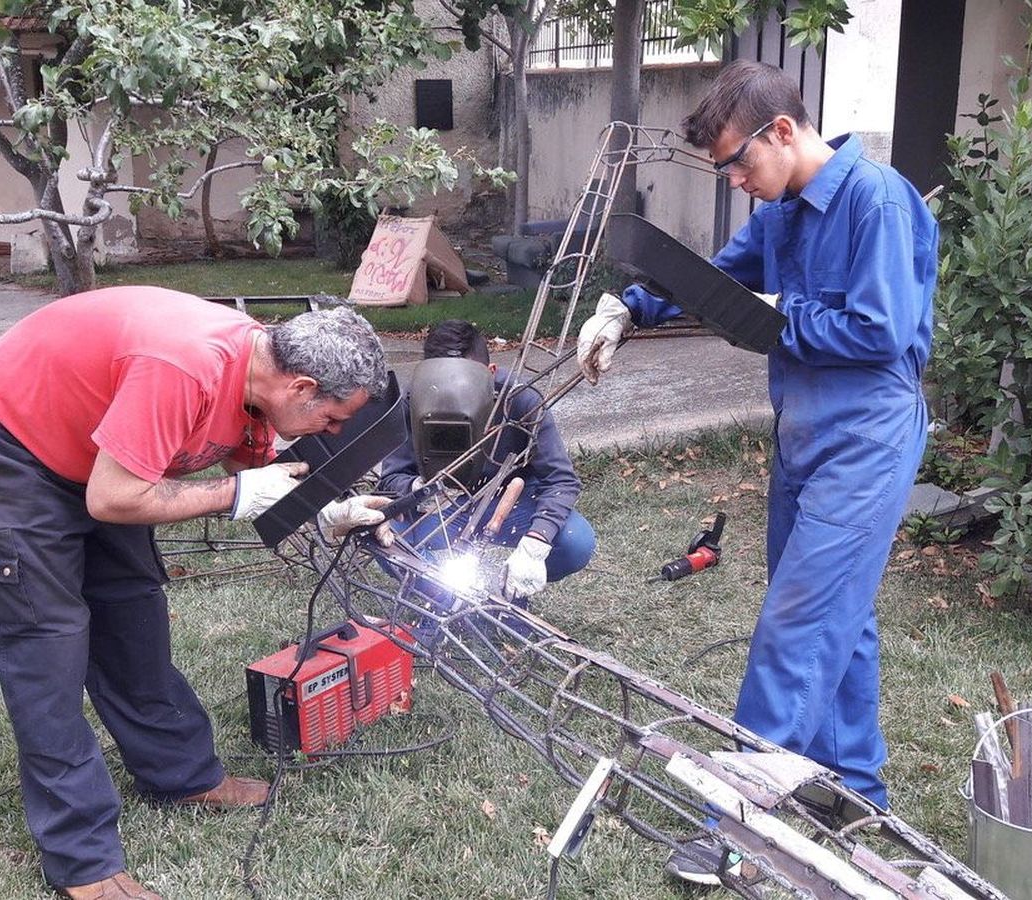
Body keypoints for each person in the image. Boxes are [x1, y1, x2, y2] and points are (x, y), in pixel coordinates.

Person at [577, 60, 937, 885]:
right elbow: (718, 284)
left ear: (784, 131)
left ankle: (738, 821)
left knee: (796, 628)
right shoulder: (779, 212)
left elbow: (881, 332)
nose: (737, 182)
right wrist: (629, 307)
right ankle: (854, 788)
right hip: (806, 432)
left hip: (868, 431)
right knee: (836, 614)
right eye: (725, 170)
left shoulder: (875, 199)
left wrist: (787, 315)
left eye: (740, 162)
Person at [0, 286, 391, 900]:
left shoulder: (258, 386)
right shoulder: (184, 368)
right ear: (301, 388)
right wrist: (229, 499)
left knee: (133, 619)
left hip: (110, 463)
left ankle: (182, 777)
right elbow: (113, 499)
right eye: (333, 417)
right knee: (46, 650)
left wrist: (326, 511)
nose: (331, 431)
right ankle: (84, 867)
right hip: (20, 449)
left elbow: (253, 479)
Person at [379, 319, 595, 606]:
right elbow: (390, 479)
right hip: (445, 508)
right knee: (385, 535)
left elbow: (561, 480)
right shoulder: (413, 401)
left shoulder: (520, 399)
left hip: (508, 506)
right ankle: (445, 598)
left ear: (490, 373)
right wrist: (419, 488)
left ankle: (505, 592)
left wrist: (536, 542)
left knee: (575, 541)